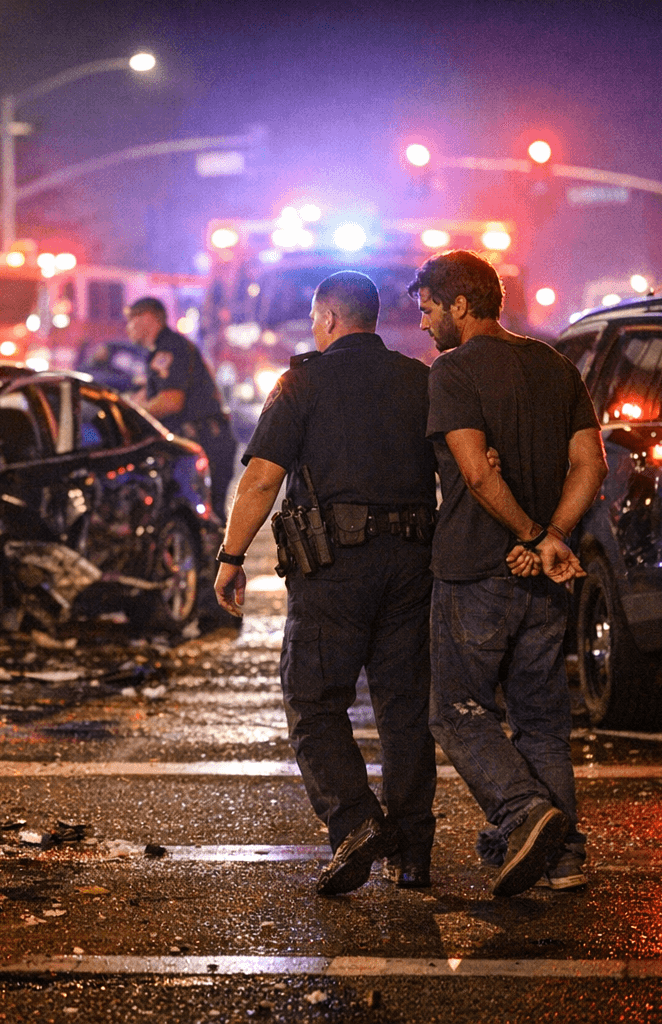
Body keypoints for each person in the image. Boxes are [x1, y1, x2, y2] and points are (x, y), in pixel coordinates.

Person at [213, 272, 438, 896]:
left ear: (330, 319)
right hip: (414, 562)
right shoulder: (419, 381)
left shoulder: (301, 382)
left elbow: (261, 480)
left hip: (334, 567)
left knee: (313, 698)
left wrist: (233, 557)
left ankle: (356, 820)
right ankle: (414, 854)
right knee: (404, 707)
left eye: (317, 320)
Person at [413, 249, 607, 897]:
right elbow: (591, 465)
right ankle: (564, 857)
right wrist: (554, 537)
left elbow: (474, 471)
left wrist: (528, 533)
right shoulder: (555, 365)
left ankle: (523, 812)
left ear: (460, 305)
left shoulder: (454, 371)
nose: (424, 324)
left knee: (457, 710)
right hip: (544, 576)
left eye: (429, 309)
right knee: (542, 718)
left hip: (474, 568)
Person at [127, 295, 236, 520]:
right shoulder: (161, 350)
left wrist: (133, 415)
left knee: (205, 520)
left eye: (131, 319)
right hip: (202, 440)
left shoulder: (171, 349)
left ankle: (219, 556)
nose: (128, 327)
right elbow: (149, 396)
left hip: (206, 440)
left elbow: (170, 401)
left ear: (147, 318)